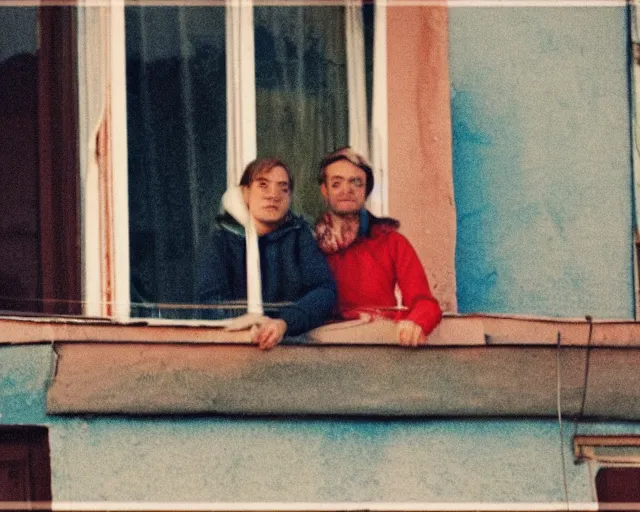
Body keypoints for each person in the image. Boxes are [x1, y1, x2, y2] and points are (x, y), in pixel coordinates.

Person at [198, 158, 336, 350]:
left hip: (291, 351)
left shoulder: (299, 235)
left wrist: (283, 323)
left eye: (283, 188)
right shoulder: (222, 239)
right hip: (231, 351)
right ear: (245, 192)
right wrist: (244, 322)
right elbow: (207, 301)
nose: (274, 195)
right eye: (263, 185)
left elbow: (324, 292)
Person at [314, 147, 442, 346]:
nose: (346, 190)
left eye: (356, 182)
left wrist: (416, 323)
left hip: (378, 346)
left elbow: (424, 302)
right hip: (323, 349)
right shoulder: (309, 242)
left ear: (366, 190)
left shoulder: (391, 241)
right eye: (336, 183)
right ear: (325, 190)